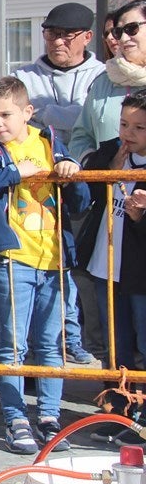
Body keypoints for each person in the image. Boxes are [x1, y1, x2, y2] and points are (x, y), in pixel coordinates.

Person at [0, 76, 88, 455]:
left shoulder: (48, 142)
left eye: (6, 115)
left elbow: (79, 203)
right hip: (14, 260)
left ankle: (49, 417)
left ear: (27, 112)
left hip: (54, 259)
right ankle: (15, 419)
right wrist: (15, 173)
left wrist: (72, 172)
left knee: (50, 344)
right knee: (12, 344)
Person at [12, 2, 102, 365]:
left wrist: (45, 112)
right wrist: (69, 116)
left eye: (66, 35)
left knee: (80, 266)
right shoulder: (24, 76)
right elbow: (18, 125)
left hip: (84, 186)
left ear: (86, 37)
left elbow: (92, 122)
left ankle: (77, 336)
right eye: (50, 33)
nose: (57, 42)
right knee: (45, 265)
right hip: (34, 190)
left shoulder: (102, 76)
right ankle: (49, 342)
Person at [76, 88, 146, 372]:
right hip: (105, 266)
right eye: (123, 124)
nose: (128, 133)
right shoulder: (111, 149)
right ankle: (118, 399)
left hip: (138, 271)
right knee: (115, 340)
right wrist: (107, 168)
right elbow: (84, 189)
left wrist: (141, 216)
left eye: (139, 127)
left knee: (142, 335)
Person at [71, 0, 146, 162]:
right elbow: (81, 137)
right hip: (111, 184)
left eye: (132, 29)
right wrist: (96, 165)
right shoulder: (104, 81)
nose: (124, 38)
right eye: (119, 32)